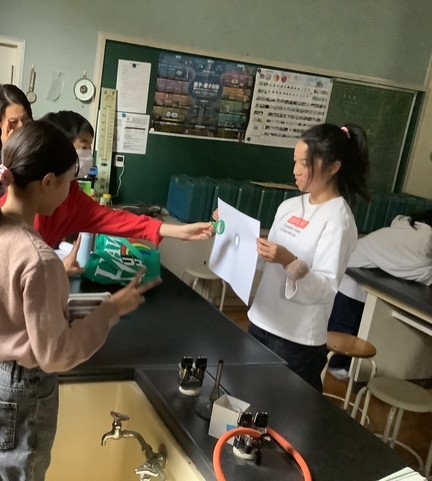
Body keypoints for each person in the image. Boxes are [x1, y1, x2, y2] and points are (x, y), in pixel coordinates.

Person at [0, 120, 159, 481]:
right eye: (69, 183)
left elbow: (12, 310)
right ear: (48, 182)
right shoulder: (39, 258)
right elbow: (55, 354)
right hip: (18, 392)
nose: (71, 193)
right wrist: (109, 311)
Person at [245, 123, 369, 392]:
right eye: (295, 161)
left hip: (296, 339)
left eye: (304, 163)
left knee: (285, 410)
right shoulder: (289, 206)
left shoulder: (338, 219)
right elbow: (265, 260)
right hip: (261, 320)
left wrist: (289, 260)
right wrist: (235, 233)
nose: (295, 170)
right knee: (248, 396)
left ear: (333, 167)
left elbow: (325, 287)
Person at [32, 110, 215, 249]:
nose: (88, 155)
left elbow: (116, 220)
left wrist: (179, 231)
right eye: (84, 147)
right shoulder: (33, 199)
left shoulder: (71, 194)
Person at [327, 209, 432, 377]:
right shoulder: (423, 240)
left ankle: (341, 368)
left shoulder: (410, 229)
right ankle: (337, 368)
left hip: (361, 270)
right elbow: (418, 270)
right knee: (345, 333)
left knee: (351, 330)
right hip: (352, 275)